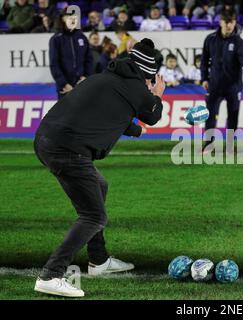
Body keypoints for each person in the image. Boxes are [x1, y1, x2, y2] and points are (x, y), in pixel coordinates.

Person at [33, 38, 165, 298]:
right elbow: (153, 115)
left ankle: (99, 260)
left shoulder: (106, 77)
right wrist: (157, 94)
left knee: (99, 186)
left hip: (46, 140)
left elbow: (110, 110)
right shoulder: (137, 88)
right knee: (93, 216)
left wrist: (134, 130)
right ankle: (51, 275)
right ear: (149, 73)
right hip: (68, 149)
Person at [200, 9, 243, 152]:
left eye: (231, 22)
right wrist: (204, 78)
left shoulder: (238, 42)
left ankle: (231, 145)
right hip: (214, 85)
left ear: (235, 23)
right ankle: (208, 145)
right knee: (210, 116)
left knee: (233, 116)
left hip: (233, 86)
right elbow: (204, 61)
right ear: (220, 22)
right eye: (226, 22)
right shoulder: (210, 39)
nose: (229, 25)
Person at [49, 8, 93, 99]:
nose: (73, 19)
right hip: (65, 88)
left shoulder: (82, 37)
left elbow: (89, 60)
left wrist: (86, 77)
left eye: (75, 17)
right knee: (65, 113)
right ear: (63, 19)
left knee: (82, 113)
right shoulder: (56, 39)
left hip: (81, 86)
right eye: (69, 17)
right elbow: (54, 64)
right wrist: (63, 84)